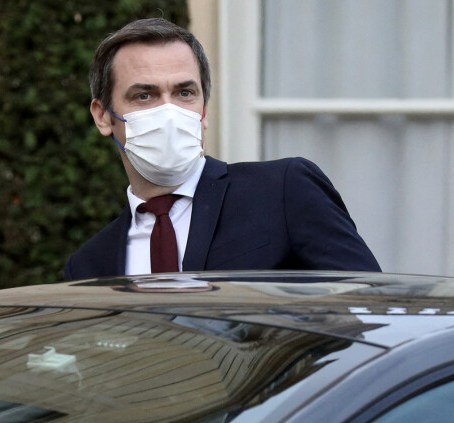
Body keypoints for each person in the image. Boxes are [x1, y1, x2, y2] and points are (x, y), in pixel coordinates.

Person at [63, 18, 381, 281]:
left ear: (204, 110)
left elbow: (368, 309)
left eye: (185, 92)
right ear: (103, 116)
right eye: (145, 96)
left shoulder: (283, 191)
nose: (169, 111)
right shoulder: (89, 265)